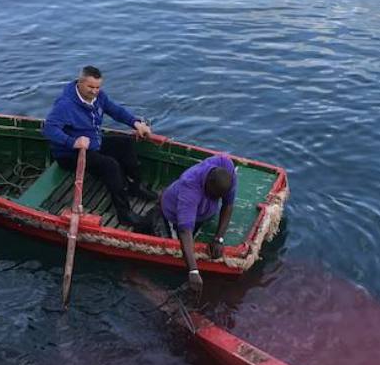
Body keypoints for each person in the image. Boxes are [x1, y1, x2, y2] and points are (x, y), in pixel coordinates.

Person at [43, 66, 156, 227]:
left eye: (97, 87)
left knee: (125, 144)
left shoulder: (99, 96)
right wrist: (73, 142)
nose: (95, 91)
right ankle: (125, 214)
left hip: (94, 142)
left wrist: (135, 123)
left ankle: (135, 186)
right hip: (70, 154)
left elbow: (115, 110)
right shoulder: (65, 105)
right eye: (90, 87)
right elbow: (49, 129)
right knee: (110, 166)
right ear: (80, 83)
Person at [138, 154, 237, 297]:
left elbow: (228, 205)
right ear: (207, 185)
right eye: (213, 195)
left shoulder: (226, 166)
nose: (216, 200)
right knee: (167, 257)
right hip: (172, 214)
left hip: (201, 214)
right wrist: (193, 271)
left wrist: (219, 238)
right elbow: (185, 230)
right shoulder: (190, 186)